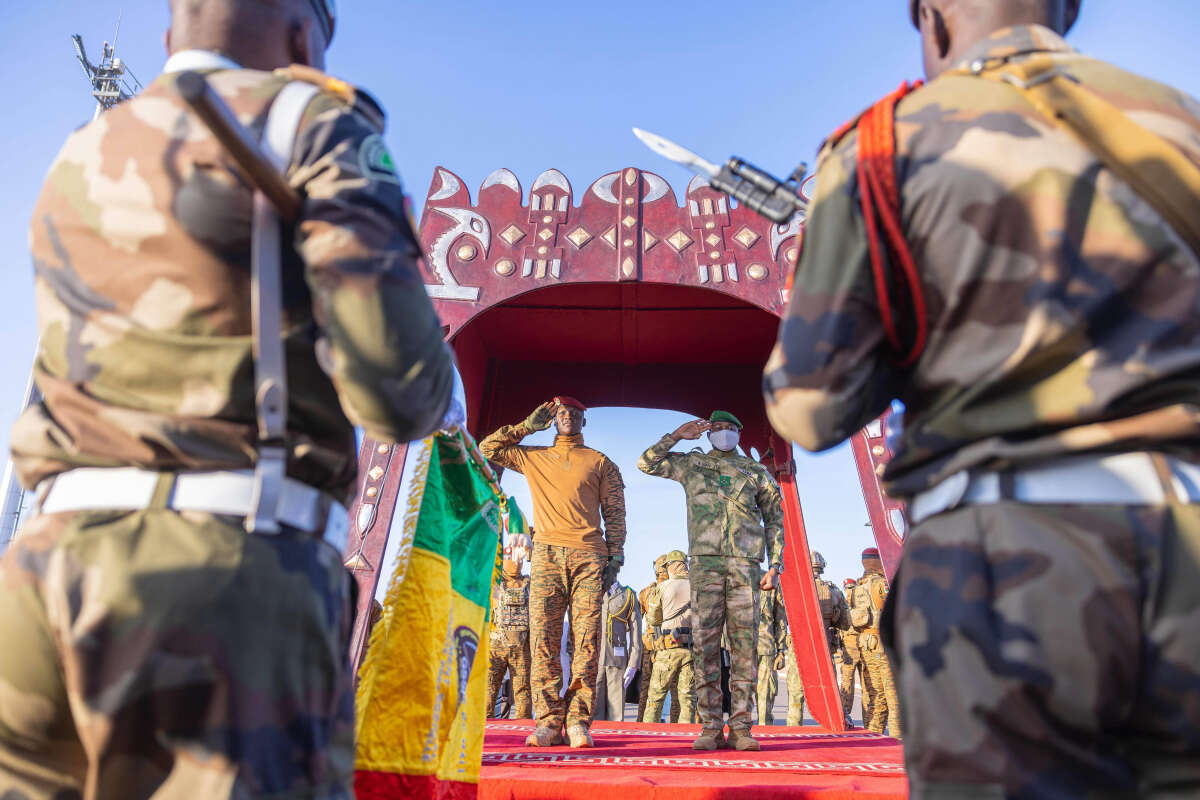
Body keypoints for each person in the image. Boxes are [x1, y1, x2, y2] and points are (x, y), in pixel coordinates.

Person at [0, 0, 456, 796]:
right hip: (219, 578)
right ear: (297, 32)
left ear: (171, 34)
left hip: (41, 579)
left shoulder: (82, 147)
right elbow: (399, 391)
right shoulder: (311, 120)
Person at [764, 0, 1200, 792]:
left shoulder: (881, 146)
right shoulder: (1179, 121)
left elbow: (810, 405)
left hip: (1008, 567)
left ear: (933, 18)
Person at [481, 397, 627, 749]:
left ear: (583, 421)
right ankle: (548, 722)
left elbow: (615, 511)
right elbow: (488, 448)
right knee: (543, 641)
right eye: (561, 413)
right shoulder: (533, 456)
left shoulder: (600, 462)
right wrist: (527, 426)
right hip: (545, 554)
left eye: (575, 414)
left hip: (589, 556)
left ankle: (578, 721)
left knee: (587, 641)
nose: (568, 418)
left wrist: (616, 555)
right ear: (551, 418)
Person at [638, 411, 784, 751]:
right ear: (707, 435)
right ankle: (710, 727)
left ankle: (742, 728)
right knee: (705, 648)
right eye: (716, 429)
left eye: (729, 428)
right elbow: (646, 463)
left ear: (739, 432)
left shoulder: (756, 472)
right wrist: (676, 435)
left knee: (744, 650)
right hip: (704, 566)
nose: (723, 433)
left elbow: (775, 519)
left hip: (746, 567)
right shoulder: (693, 465)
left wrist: (775, 565)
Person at [785, 551, 850, 726]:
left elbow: (782, 614)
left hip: (799, 644)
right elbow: (845, 623)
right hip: (824, 645)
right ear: (822, 567)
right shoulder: (834, 590)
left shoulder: (795, 587)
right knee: (828, 693)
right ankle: (831, 730)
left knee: (796, 695)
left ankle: (794, 731)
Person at [848, 549, 899, 737]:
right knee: (894, 700)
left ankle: (873, 740)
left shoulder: (857, 589)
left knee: (876, 698)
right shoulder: (881, 585)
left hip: (866, 646)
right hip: (882, 645)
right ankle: (897, 743)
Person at [641, 550, 697, 724]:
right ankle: (687, 738)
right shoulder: (697, 586)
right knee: (687, 700)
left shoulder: (662, 587)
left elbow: (653, 618)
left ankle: (648, 737)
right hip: (690, 649)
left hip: (667, 649)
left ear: (671, 566)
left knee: (655, 698)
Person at [486, 559, 532, 719]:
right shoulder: (494, 583)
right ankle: (486, 733)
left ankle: (522, 731)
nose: (517, 562)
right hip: (496, 645)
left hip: (520, 646)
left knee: (523, 692)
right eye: (511, 557)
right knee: (489, 690)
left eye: (519, 558)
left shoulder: (529, 584)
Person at [593, 581, 642, 721]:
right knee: (593, 712)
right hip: (594, 660)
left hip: (617, 660)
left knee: (616, 714)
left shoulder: (628, 595)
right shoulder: (591, 592)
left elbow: (636, 633)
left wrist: (633, 663)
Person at [755, 571, 789, 726]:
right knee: (739, 695)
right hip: (740, 648)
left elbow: (780, 619)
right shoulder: (732, 576)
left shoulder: (770, 580)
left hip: (764, 647)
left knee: (766, 695)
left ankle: (764, 732)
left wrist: (781, 650)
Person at [838, 578, 871, 724]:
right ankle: (869, 721)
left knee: (847, 684)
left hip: (849, 647)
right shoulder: (863, 598)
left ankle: (845, 718)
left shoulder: (843, 599)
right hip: (864, 644)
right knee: (867, 685)